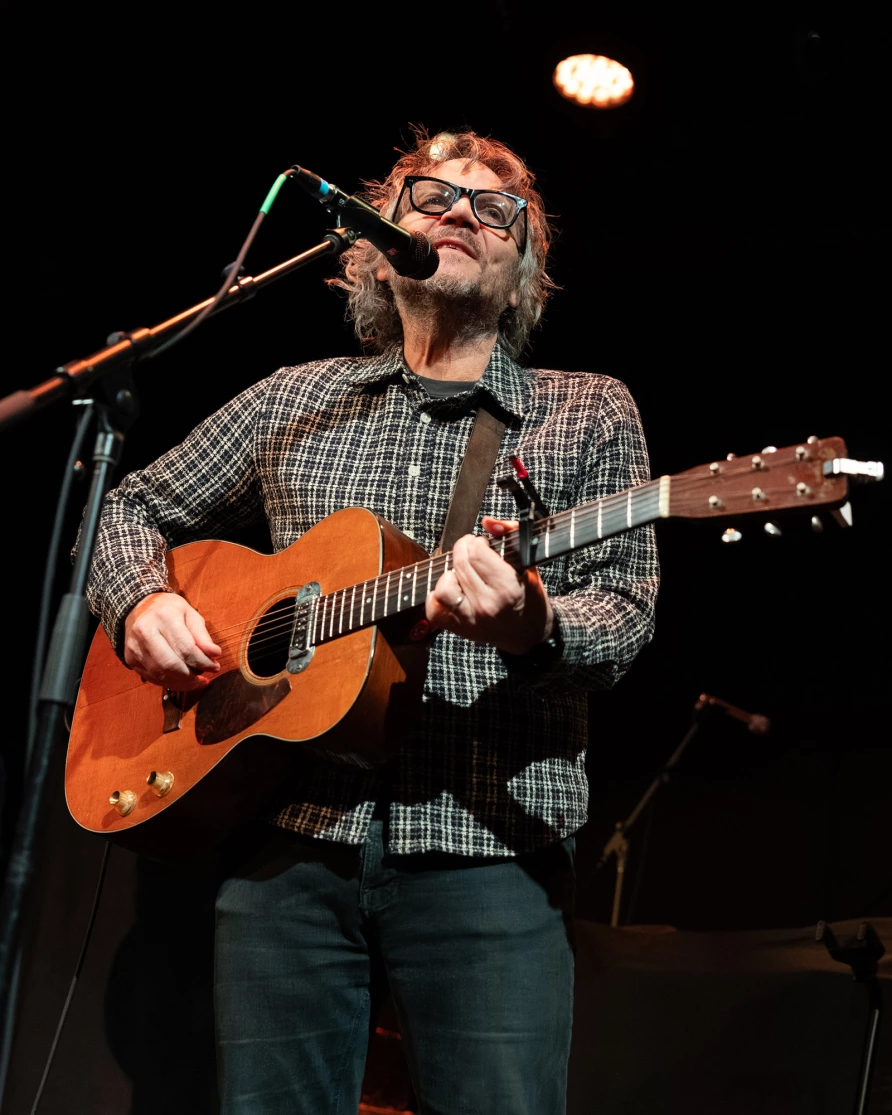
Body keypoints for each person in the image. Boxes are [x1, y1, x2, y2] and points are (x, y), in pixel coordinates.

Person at [87, 129, 659, 1115]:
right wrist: (144, 597)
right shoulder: (296, 397)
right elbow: (129, 507)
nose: (460, 214)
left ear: (524, 264)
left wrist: (531, 622)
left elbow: (626, 607)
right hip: (285, 851)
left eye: (495, 209)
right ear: (370, 239)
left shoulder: (587, 411)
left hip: (487, 851)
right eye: (433, 195)